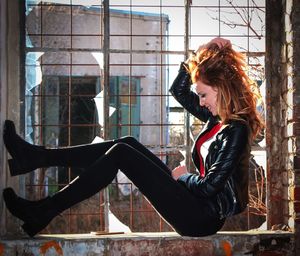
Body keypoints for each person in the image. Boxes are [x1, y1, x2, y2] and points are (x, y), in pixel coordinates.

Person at [2, 37, 264, 237]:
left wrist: (183, 176)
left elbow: (209, 186)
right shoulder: (216, 120)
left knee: (122, 154)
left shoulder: (236, 130)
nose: (201, 102)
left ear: (221, 90)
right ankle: (35, 158)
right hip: (193, 202)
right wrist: (199, 52)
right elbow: (179, 90)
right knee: (126, 143)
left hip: (200, 217)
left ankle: (44, 209)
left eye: (204, 95)